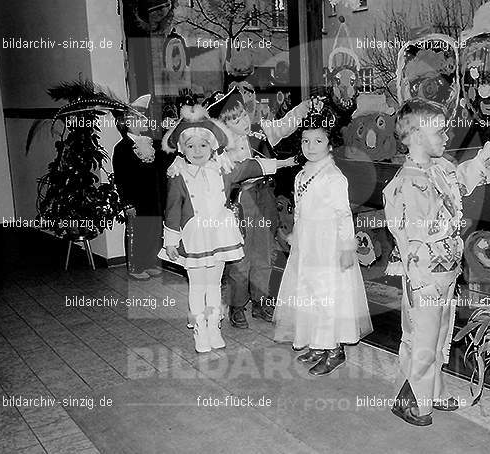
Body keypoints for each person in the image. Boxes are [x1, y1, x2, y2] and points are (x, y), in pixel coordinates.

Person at [383, 99, 490, 426]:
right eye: (439, 131)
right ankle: (417, 401)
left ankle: (431, 390)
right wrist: (419, 279)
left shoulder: (441, 167)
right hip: (424, 274)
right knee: (421, 336)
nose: (447, 136)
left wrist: (481, 158)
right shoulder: (404, 183)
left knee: (438, 333)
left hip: (446, 269)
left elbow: (460, 180)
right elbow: (408, 234)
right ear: (417, 136)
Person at [158, 104, 296, 352]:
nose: (197, 151)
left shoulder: (223, 168)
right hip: (195, 236)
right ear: (182, 149)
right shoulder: (179, 175)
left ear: (212, 146)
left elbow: (251, 167)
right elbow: (173, 210)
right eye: (190, 146)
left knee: (213, 283)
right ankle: (200, 328)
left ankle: (214, 326)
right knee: (198, 284)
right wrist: (170, 241)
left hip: (220, 234)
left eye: (203, 145)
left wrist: (285, 162)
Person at [273, 100, 373, 376]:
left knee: (326, 295)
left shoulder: (333, 177)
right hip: (307, 244)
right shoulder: (302, 174)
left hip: (328, 245)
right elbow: (301, 211)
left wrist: (346, 247)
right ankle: (316, 343)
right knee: (308, 292)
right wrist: (295, 232)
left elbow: (343, 215)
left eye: (318, 140)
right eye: (305, 141)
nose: (310, 146)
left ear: (330, 145)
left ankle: (333, 349)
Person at [205, 86, 311, 328]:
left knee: (264, 254)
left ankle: (261, 302)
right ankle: (237, 305)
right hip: (241, 202)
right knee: (240, 258)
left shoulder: (260, 131)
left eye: (242, 114)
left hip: (264, 196)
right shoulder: (220, 149)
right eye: (234, 119)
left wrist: (303, 108)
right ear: (223, 125)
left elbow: (286, 124)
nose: (242, 120)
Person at [112, 96, 163, 280]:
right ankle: (135, 266)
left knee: (152, 231)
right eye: (140, 118)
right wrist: (127, 203)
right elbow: (121, 179)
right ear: (127, 122)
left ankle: (149, 262)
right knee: (137, 232)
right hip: (136, 200)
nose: (144, 121)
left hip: (152, 197)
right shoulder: (122, 148)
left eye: (144, 117)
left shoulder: (149, 143)